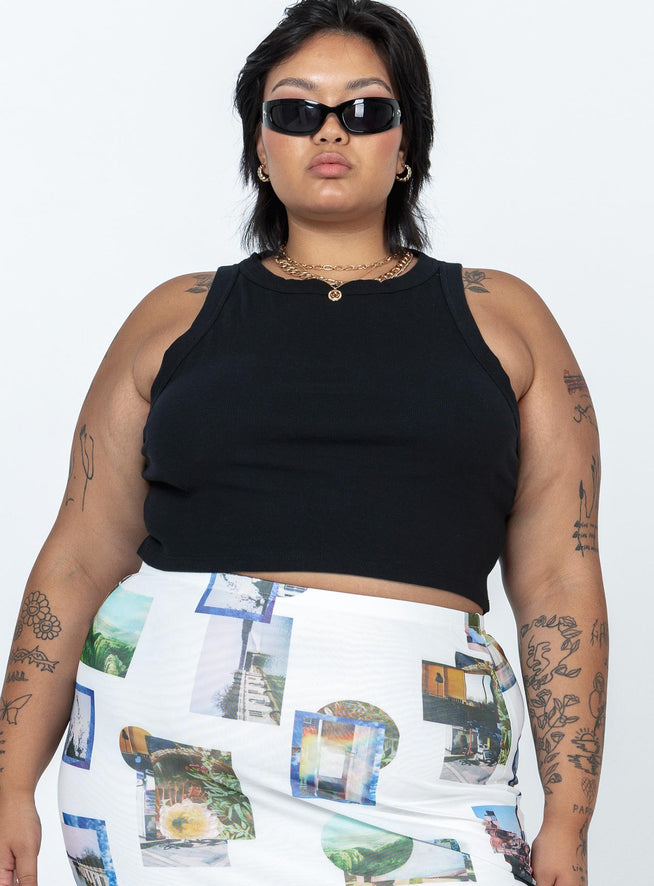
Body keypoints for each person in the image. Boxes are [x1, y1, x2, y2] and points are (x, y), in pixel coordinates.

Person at [0, 1, 608, 884]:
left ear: (407, 143)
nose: (330, 130)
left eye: (364, 109)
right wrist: (10, 781)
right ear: (259, 144)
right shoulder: (175, 314)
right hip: (170, 770)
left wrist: (571, 820)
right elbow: (80, 555)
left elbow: (559, 579)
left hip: (425, 778)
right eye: (295, 110)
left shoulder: (504, 316)